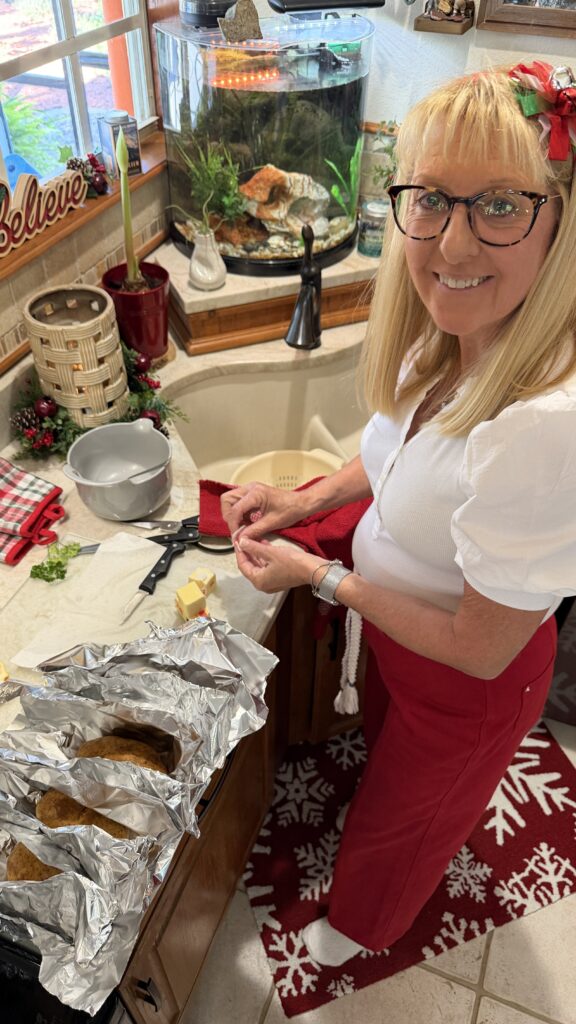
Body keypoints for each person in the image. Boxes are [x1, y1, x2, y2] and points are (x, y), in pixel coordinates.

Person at [221, 62, 576, 966]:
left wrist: (322, 575)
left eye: (501, 205)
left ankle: (362, 927)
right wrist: (305, 501)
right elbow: (395, 455)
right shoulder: (451, 333)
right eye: (431, 201)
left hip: (467, 683)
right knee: (387, 767)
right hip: (398, 637)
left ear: (561, 224)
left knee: (405, 830)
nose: (451, 248)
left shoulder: (545, 427)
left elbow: (481, 644)